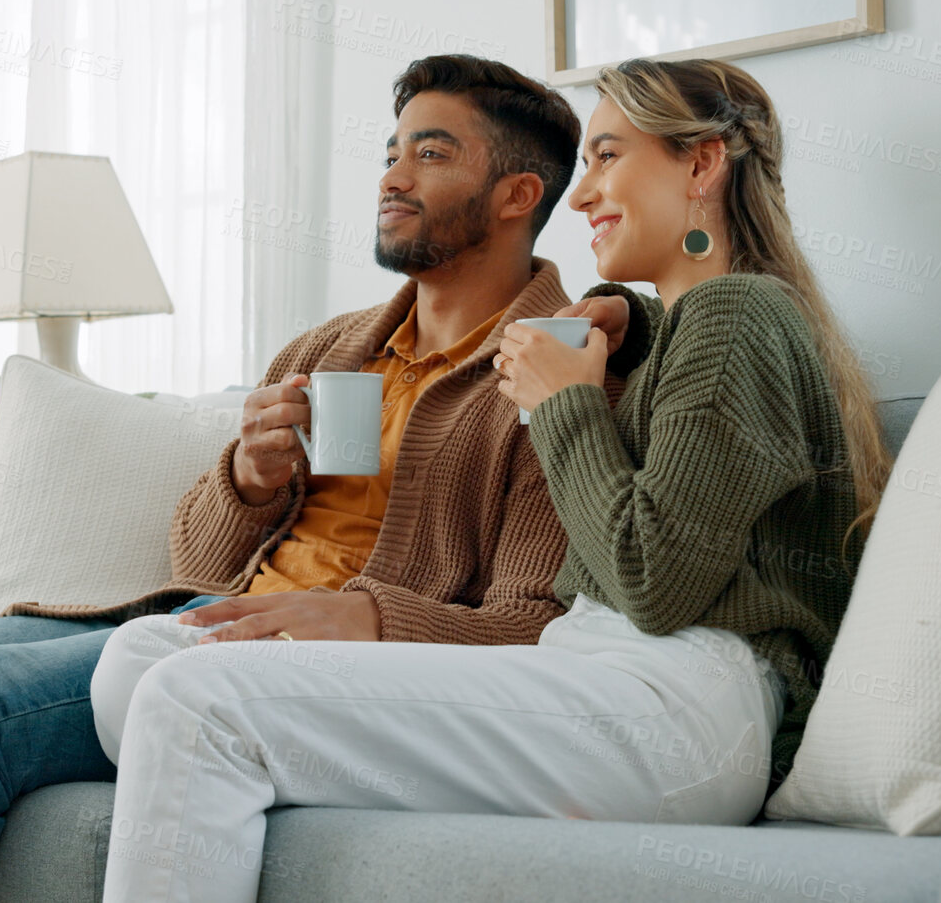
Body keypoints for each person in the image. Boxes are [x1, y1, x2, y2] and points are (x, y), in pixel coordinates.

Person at [0, 53, 620, 903]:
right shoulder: (333, 347)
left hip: (296, 669)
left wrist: (368, 613)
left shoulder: (553, 369)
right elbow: (197, 553)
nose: (391, 175)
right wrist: (248, 477)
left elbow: (532, 623)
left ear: (514, 194)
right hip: (188, 614)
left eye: (431, 153)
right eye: (391, 149)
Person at [89, 56, 893, 903]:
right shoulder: (698, 322)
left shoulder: (737, 315)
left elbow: (654, 583)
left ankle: (262, 746)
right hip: (605, 677)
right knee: (144, 661)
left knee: (193, 700)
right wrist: (632, 313)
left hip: (679, 707)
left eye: (607, 157)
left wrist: (564, 406)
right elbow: (693, 401)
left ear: (700, 165)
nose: (579, 197)